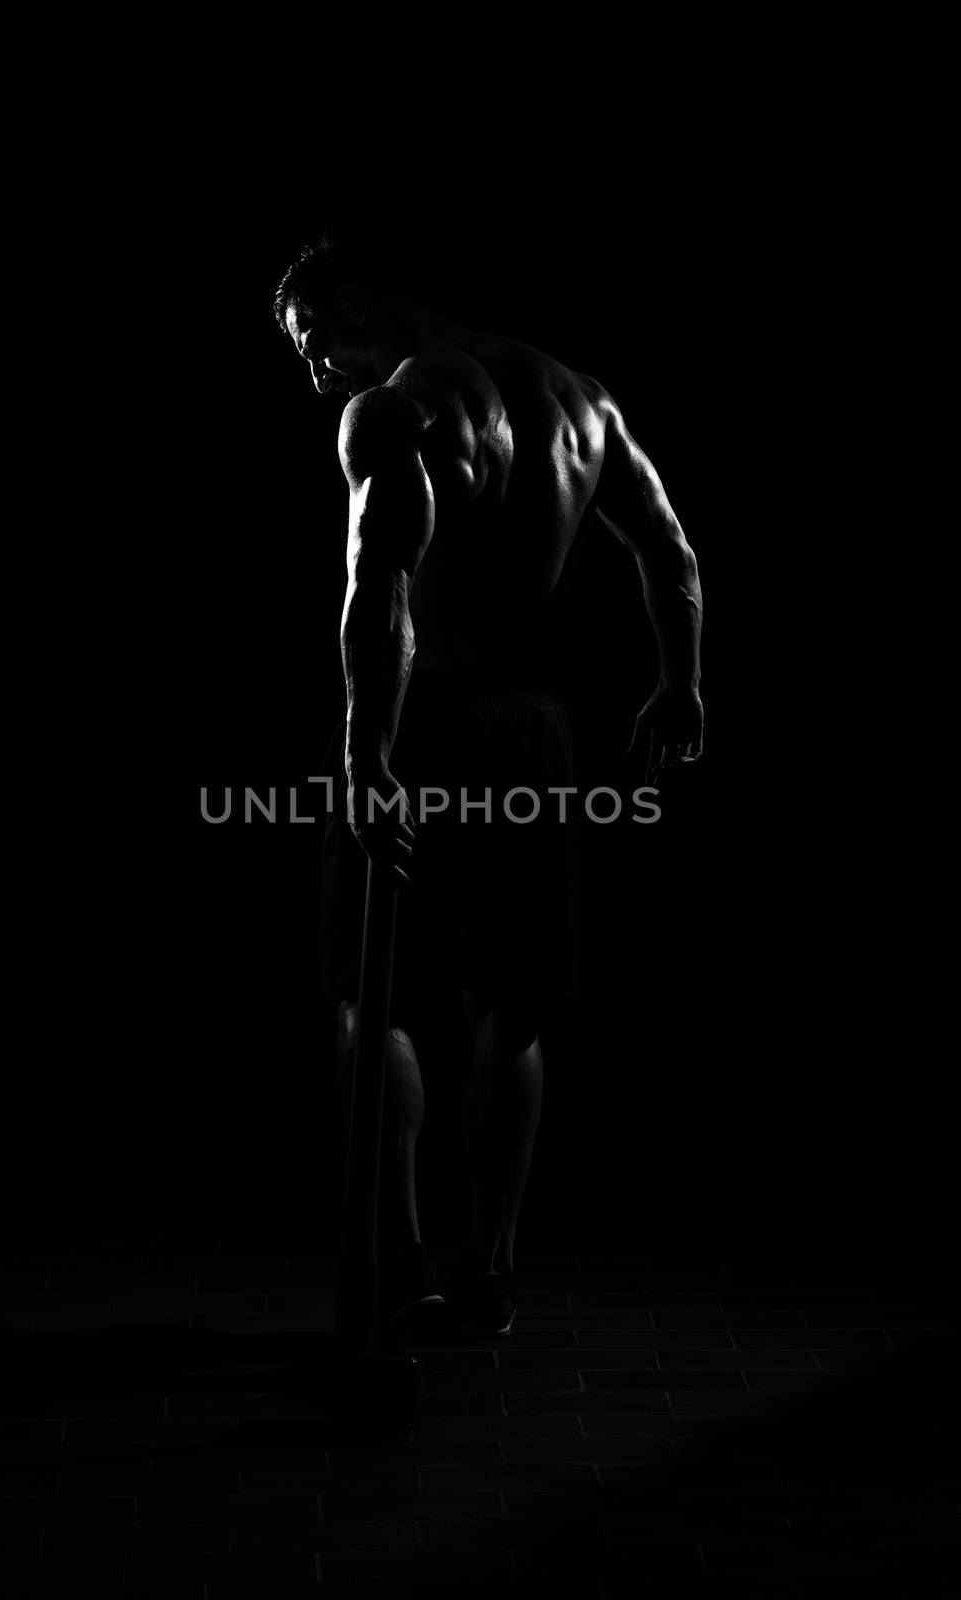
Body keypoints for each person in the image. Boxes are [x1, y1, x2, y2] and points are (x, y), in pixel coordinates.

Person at [274, 236, 703, 1343]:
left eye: (309, 335)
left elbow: (383, 590)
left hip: (424, 722)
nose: (311, 366)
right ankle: (490, 1270)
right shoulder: (582, 403)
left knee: (374, 999)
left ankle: (407, 1258)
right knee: (512, 1009)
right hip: (535, 733)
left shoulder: (394, 410)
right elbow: (672, 554)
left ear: (352, 301)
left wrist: (370, 753)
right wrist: (680, 685)